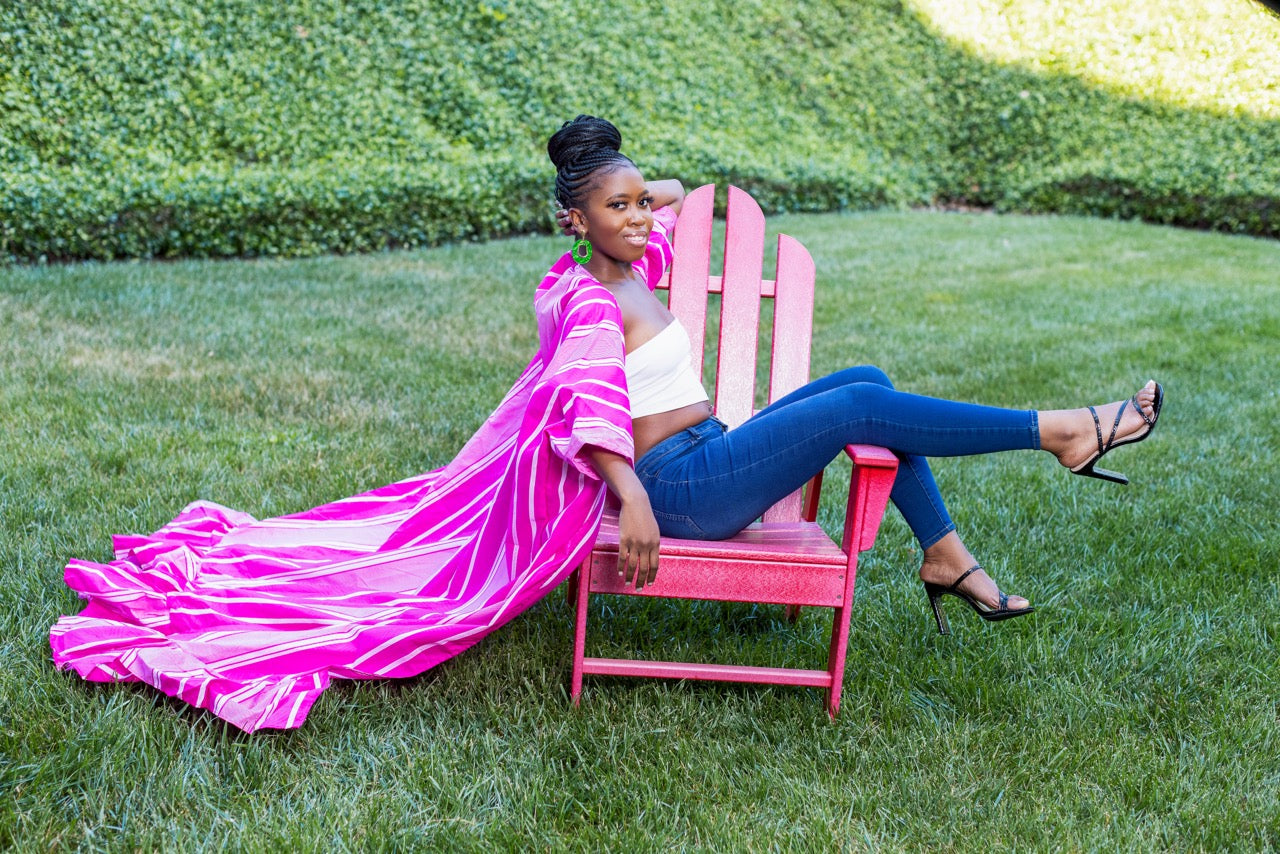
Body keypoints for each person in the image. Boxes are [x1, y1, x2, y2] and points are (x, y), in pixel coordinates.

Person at [546, 114, 1163, 632]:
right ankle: (1062, 431)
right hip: (676, 491)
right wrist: (631, 500)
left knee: (867, 378)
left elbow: (675, 190)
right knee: (859, 406)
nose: (639, 217)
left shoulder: (635, 265)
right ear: (576, 220)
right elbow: (584, 416)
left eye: (638, 203)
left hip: (708, 450)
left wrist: (610, 186)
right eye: (616, 207)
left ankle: (945, 556)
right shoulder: (592, 302)